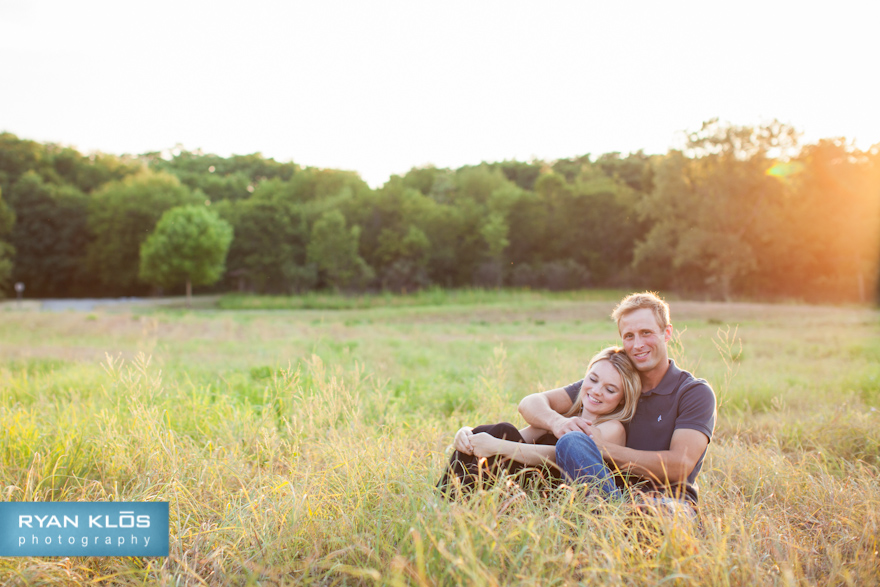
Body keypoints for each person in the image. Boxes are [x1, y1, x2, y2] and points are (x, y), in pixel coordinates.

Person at [518, 292, 717, 508]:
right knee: (570, 442)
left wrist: (600, 447)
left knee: (575, 443)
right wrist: (558, 423)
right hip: (611, 493)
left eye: (646, 333)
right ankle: (612, 515)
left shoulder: (693, 392)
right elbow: (531, 403)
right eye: (629, 336)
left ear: (667, 333)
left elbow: (679, 466)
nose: (637, 344)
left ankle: (616, 518)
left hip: (668, 500)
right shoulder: (615, 382)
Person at [436, 346, 641, 497]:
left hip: (557, 492)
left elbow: (559, 455)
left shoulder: (612, 428)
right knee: (503, 429)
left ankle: (450, 503)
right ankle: (447, 503)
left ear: (622, 398)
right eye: (593, 380)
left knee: (499, 440)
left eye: (610, 389)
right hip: (530, 483)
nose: (596, 391)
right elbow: (518, 435)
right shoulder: (567, 418)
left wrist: (496, 446)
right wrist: (467, 433)